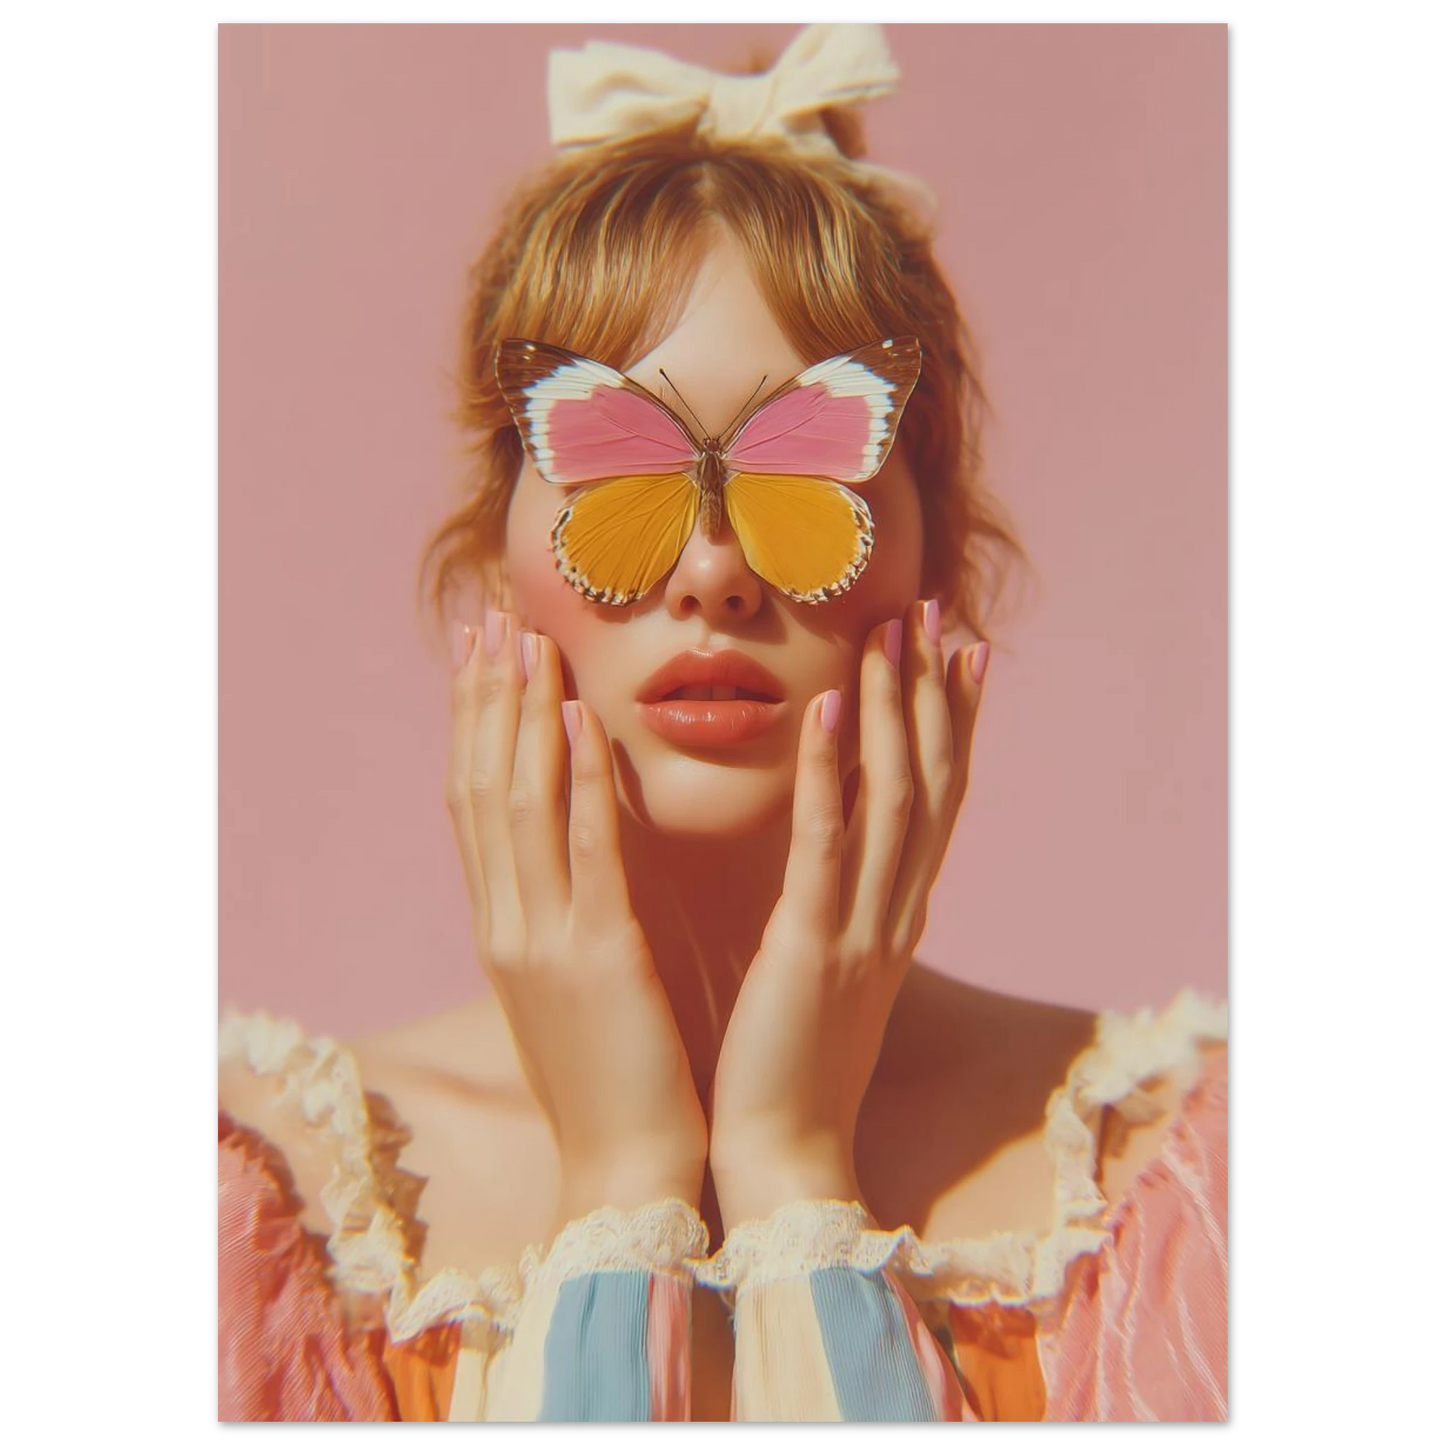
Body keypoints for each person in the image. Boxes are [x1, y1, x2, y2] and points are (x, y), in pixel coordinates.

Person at [216, 23, 1229, 1424]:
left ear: (937, 578)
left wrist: (792, 1164)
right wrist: (627, 1181)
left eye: (817, 471)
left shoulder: (1184, 1192)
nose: (714, 572)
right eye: (622, 468)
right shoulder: (263, 1214)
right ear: (489, 567)